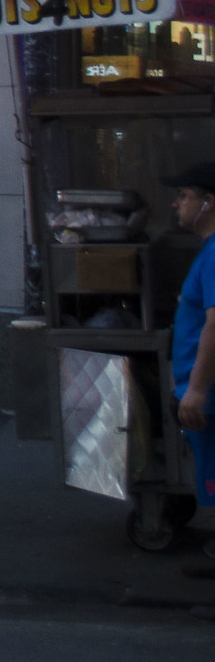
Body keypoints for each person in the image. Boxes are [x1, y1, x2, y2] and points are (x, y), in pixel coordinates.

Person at [166, 161, 215, 513]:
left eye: (184, 196)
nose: (176, 203)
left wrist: (196, 390)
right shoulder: (208, 253)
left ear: (208, 202)